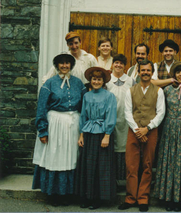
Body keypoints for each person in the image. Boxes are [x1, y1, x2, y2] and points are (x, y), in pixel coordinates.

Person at [32, 52, 86, 206]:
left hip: (72, 126)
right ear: (56, 66)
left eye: (67, 63)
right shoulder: (49, 84)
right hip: (55, 125)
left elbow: (83, 107)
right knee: (55, 157)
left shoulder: (78, 83)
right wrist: (43, 130)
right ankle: (53, 194)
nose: (64, 66)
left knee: (70, 157)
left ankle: (68, 194)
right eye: (61, 63)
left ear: (71, 65)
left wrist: (83, 129)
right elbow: (41, 107)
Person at [118, 59, 165, 212]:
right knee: (131, 165)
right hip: (134, 131)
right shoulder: (130, 91)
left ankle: (143, 198)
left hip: (151, 132)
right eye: (143, 70)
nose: (145, 73)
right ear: (138, 72)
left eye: (148, 70)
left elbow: (161, 113)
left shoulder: (159, 91)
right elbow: (127, 112)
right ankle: (130, 198)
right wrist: (138, 130)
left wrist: (148, 128)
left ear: (152, 73)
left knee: (147, 164)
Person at [154, 62, 181, 212]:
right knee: (169, 161)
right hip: (169, 129)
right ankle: (168, 197)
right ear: (174, 74)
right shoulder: (166, 90)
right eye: (178, 72)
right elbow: (162, 111)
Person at [75, 67, 117, 210]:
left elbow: (111, 116)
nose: (96, 81)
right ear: (90, 81)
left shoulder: (109, 96)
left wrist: (107, 135)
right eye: (94, 79)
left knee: (101, 167)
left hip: (102, 134)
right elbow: (83, 116)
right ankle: (87, 196)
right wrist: (81, 135)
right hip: (88, 133)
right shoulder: (87, 96)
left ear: (103, 81)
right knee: (88, 166)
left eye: (99, 79)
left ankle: (98, 198)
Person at [106, 54, 135, 188]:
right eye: (116, 63)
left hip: (125, 121)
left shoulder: (130, 81)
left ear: (125, 66)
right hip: (110, 120)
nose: (118, 65)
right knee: (111, 149)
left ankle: (123, 182)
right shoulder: (106, 81)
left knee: (124, 149)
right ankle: (112, 181)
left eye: (121, 63)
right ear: (112, 64)